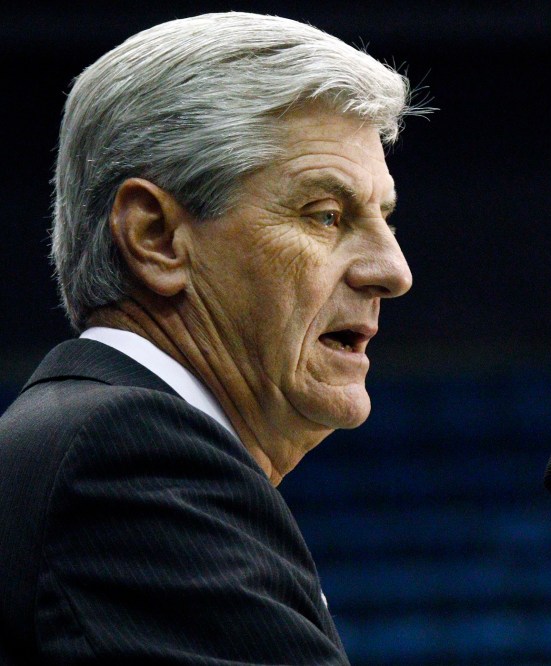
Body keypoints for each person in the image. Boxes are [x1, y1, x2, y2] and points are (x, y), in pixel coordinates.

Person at [0, 12, 422, 664]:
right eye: (327, 214)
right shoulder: (126, 461)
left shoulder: (100, 441)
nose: (393, 271)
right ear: (156, 239)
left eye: (384, 218)